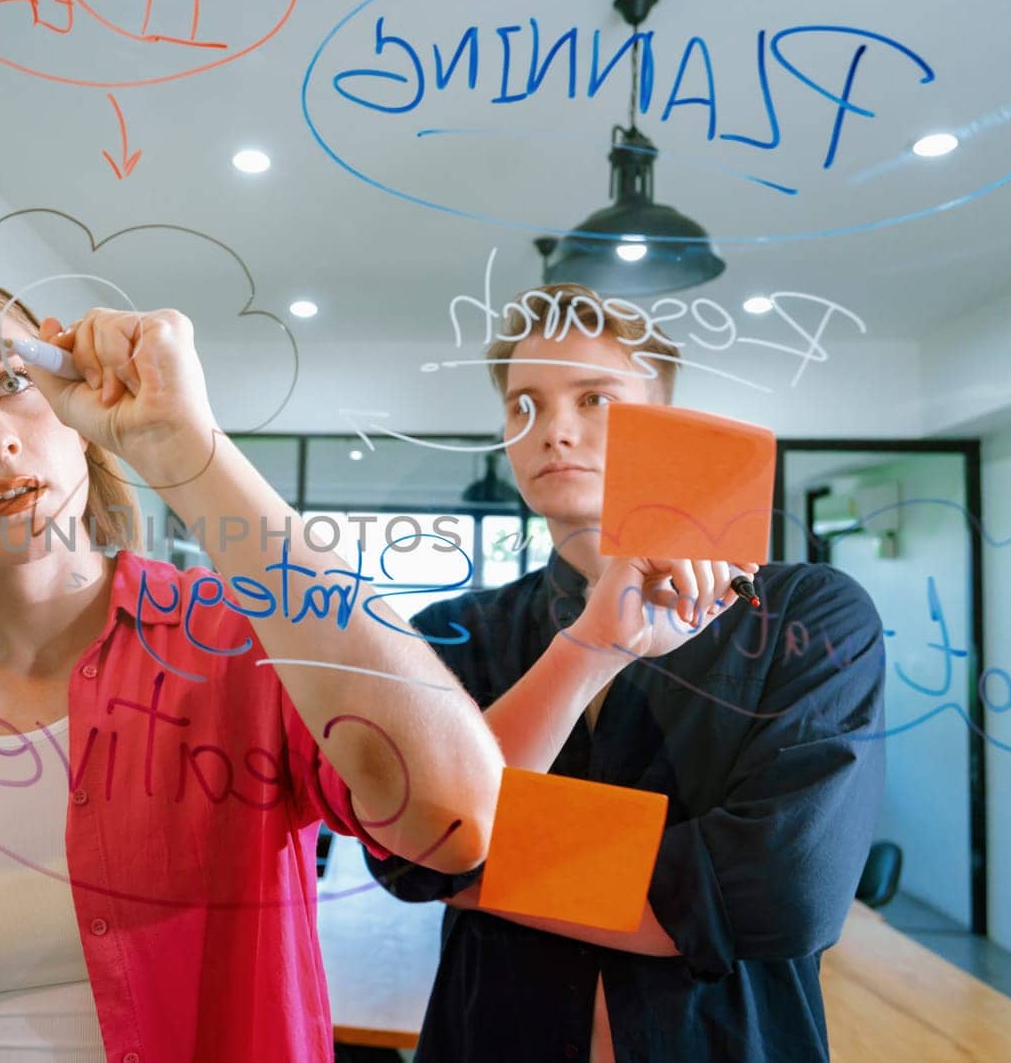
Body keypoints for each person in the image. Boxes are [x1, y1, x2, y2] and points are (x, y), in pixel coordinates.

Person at [0, 267, 504, 1063]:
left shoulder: (242, 645)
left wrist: (188, 451)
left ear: (75, 412)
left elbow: (454, 818)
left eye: (12, 380)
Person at [367, 282, 886, 1062]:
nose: (554, 430)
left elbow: (781, 892)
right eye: (524, 405)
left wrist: (487, 858)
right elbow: (410, 853)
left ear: (662, 420)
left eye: (595, 399)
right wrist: (589, 651)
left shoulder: (811, 618)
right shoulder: (455, 631)